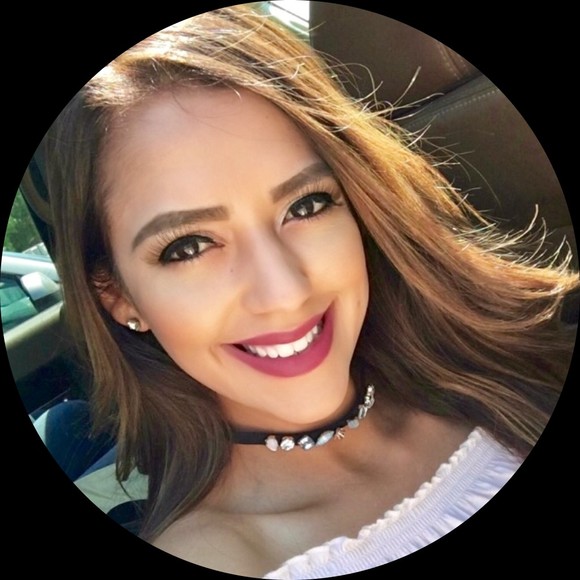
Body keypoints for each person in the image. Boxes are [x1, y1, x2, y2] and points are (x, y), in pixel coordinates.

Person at [37, 4, 577, 577]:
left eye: (307, 205)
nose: (283, 291)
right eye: (189, 246)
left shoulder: (516, 358)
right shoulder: (220, 557)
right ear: (117, 295)